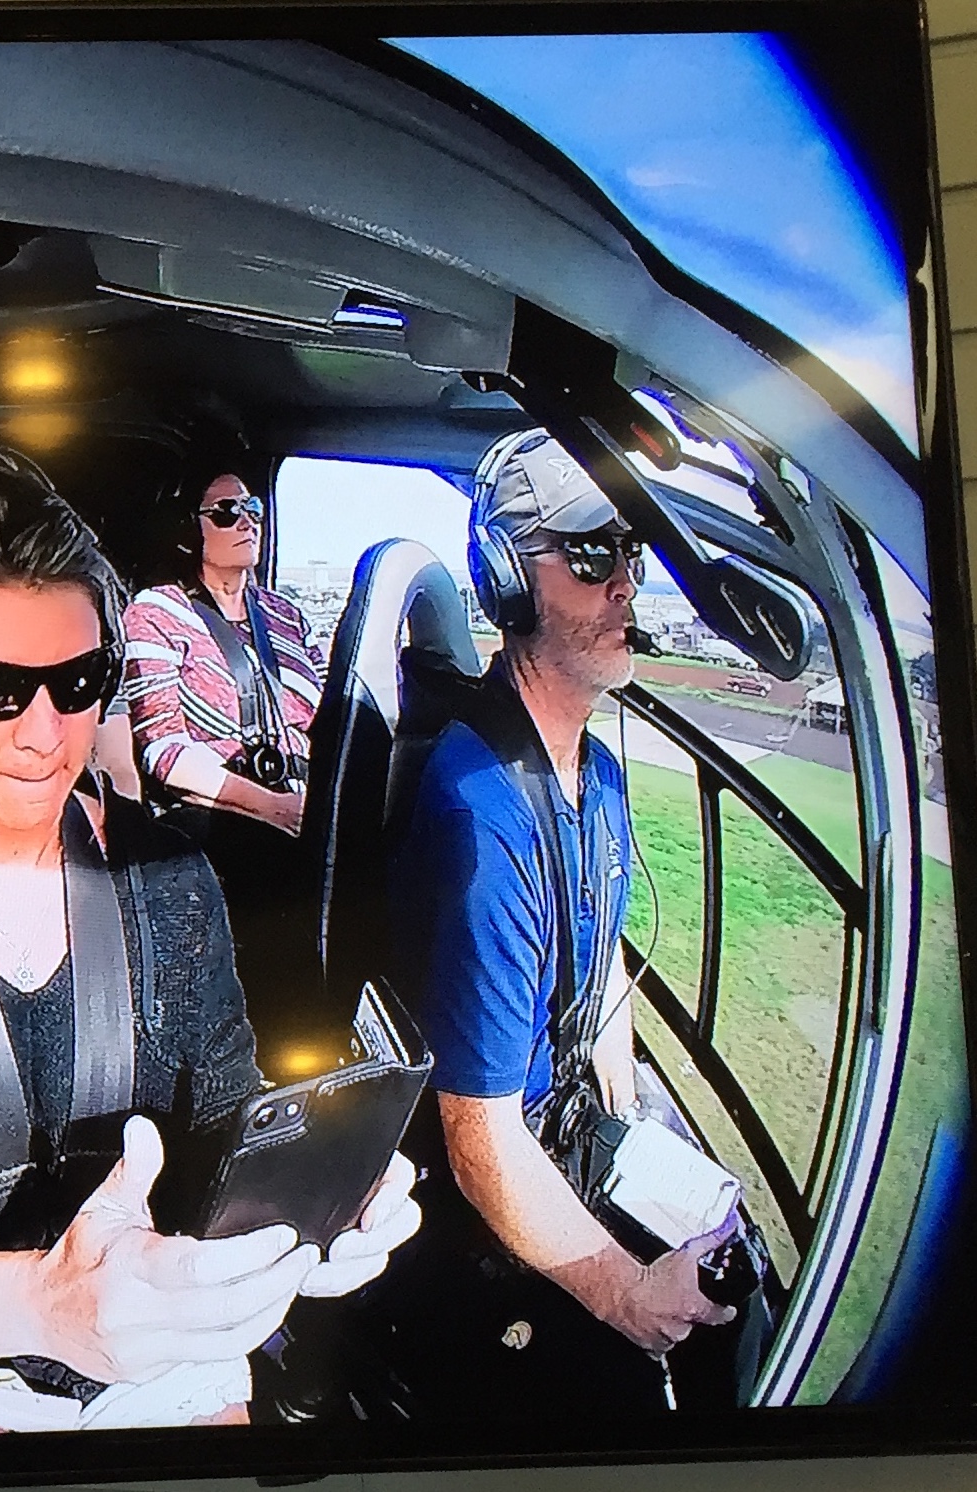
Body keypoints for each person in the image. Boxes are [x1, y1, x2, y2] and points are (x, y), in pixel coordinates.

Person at [0, 449, 417, 1437]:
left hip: (151, 1340)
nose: (45, 732)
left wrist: (314, 1198)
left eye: (79, 680)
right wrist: (43, 1306)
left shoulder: (171, 878)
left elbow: (221, 1113)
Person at [371, 431, 748, 1416]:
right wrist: (624, 1294)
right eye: (587, 554)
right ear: (507, 580)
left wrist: (626, 1127)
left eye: (629, 551)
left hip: (566, 1132)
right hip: (482, 1199)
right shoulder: (481, 811)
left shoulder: (601, 776)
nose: (625, 582)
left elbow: (600, 961)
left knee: (730, 1277)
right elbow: (480, 1140)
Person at [121, 461, 329, 1054]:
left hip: (301, 806)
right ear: (190, 530)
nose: (247, 522)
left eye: (253, 509)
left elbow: (329, 721)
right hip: (217, 818)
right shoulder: (156, 613)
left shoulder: (287, 617)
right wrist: (270, 807)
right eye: (226, 512)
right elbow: (162, 751)